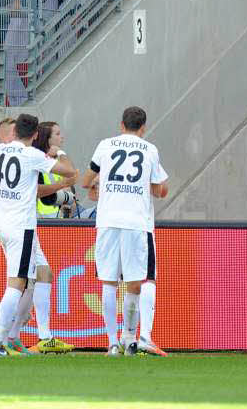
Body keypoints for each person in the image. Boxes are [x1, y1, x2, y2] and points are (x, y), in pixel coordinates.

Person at [0, 112, 76, 355]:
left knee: (43, 273)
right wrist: (58, 152)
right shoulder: (33, 155)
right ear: (35, 135)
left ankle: (43, 337)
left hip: (3, 225)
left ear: (14, 132)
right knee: (18, 283)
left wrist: (3, 146)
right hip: (20, 227)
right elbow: (69, 171)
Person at [82, 105, 169, 355]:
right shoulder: (150, 149)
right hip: (136, 222)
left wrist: (100, 184)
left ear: (121, 125)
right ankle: (133, 338)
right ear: (143, 128)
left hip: (108, 221)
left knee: (109, 283)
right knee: (136, 283)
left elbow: (87, 181)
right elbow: (162, 189)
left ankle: (111, 343)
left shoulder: (105, 145)